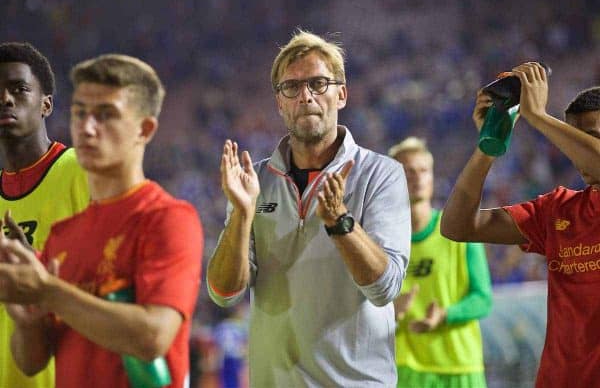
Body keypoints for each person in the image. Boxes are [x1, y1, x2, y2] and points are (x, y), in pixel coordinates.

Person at [207, 30, 411, 387]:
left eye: (318, 83)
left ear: (341, 94)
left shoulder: (382, 174)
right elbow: (224, 294)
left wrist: (341, 223)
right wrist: (240, 216)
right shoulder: (253, 180)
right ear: (280, 103)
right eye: (292, 87)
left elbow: (385, 289)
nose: (305, 96)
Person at [0, 54, 203, 388]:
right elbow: (32, 360)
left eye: (105, 115)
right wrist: (27, 322)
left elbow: (152, 337)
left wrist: (49, 292)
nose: (87, 127)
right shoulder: (63, 235)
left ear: (145, 128)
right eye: (80, 112)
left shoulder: (169, 219)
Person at [441, 62, 600, 387]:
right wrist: (489, 144)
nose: (575, 148)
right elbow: (458, 226)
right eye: (571, 137)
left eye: (591, 137)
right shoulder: (558, 209)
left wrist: (539, 116)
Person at [0, 42, 89, 388]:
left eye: (19, 89)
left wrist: (39, 268)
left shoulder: (82, 171)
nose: (5, 99)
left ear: (46, 104)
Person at [389, 136, 492, 388]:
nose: (417, 177)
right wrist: (387, 312)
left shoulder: (459, 229)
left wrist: (446, 315)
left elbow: (483, 298)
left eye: (423, 170)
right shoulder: (381, 240)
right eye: (408, 171)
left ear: (432, 177)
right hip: (407, 367)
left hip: (460, 365)